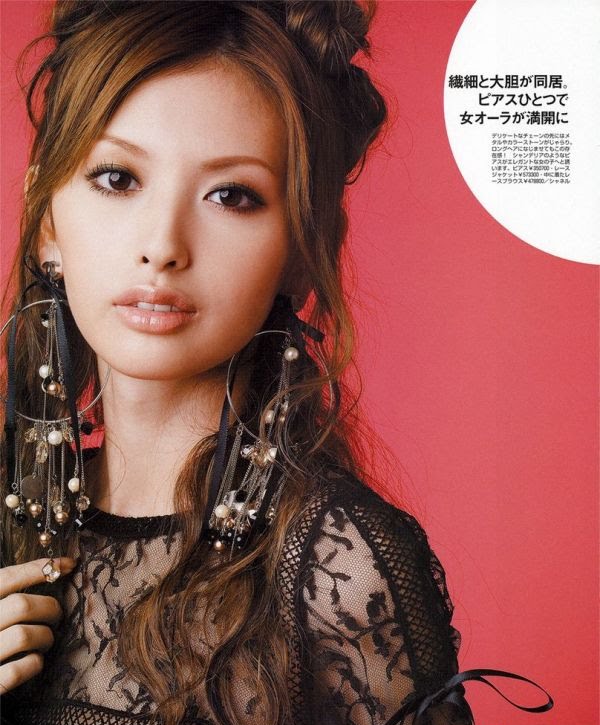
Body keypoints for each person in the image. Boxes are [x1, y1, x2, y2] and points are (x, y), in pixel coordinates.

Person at [0, 2, 553, 725]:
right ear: (46, 219)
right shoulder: (11, 514)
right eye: (117, 178)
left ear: (300, 250)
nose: (162, 245)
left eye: (231, 195)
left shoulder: (336, 568)